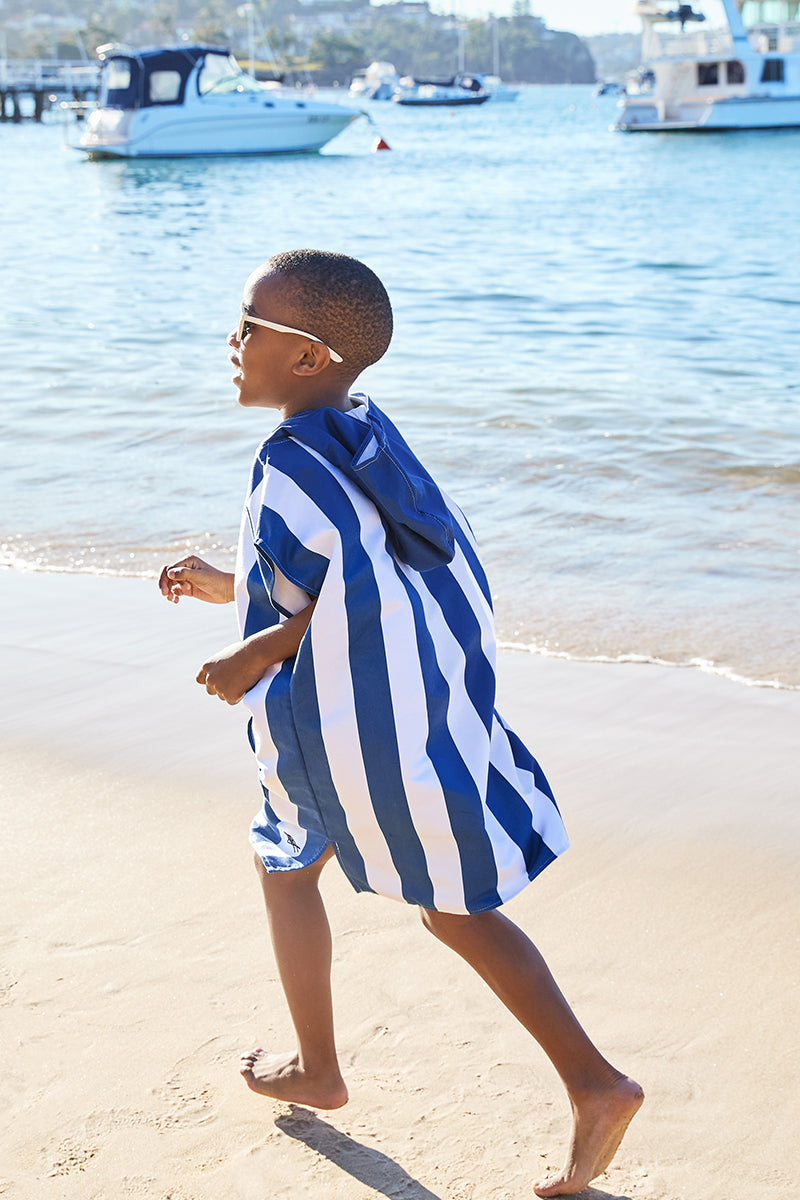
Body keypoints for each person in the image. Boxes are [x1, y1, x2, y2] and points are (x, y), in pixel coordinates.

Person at [158, 249, 642, 1196]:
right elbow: (365, 568)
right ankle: (587, 1082)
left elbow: (315, 600)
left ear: (307, 356)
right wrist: (232, 589)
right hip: (411, 703)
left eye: (251, 325)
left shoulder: (286, 458)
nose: (233, 340)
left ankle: (334, 1069)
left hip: (340, 723)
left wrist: (249, 652)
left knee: (291, 867)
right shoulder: (362, 431)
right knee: (444, 905)